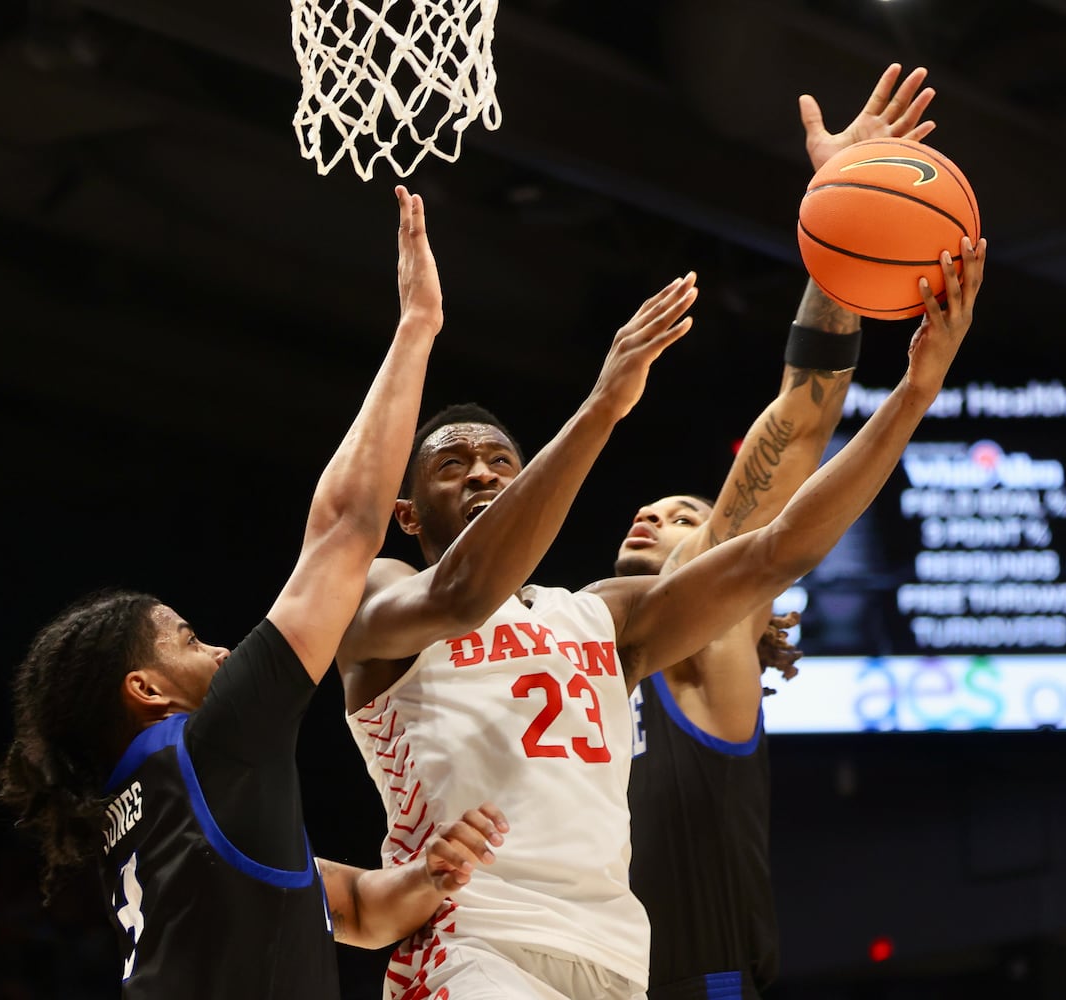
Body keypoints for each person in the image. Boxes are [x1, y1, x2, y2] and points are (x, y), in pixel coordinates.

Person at [336, 202, 986, 999]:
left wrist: (914, 394)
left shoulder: (606, 616)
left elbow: (777, 549)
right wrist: (603, 405)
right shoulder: (384, 593)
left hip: (615, 960)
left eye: (499, 459)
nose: (481, 473)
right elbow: (466, 589)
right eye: (452, 465)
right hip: (474, 943)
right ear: (408, 516)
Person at [0, 187, 511, 1000]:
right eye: (187, 640)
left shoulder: (147, 809)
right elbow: (345, 526)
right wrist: (416, 329)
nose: (224, 651)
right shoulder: (212, 747)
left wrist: (434, 871)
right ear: (148, 689)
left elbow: (362, 912)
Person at [620, 65, 940, 1000]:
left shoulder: (706, 640)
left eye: (688, 517)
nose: (659, 517)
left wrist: (839, 243)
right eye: (660, 511)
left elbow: (795, 424)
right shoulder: (583, 653)